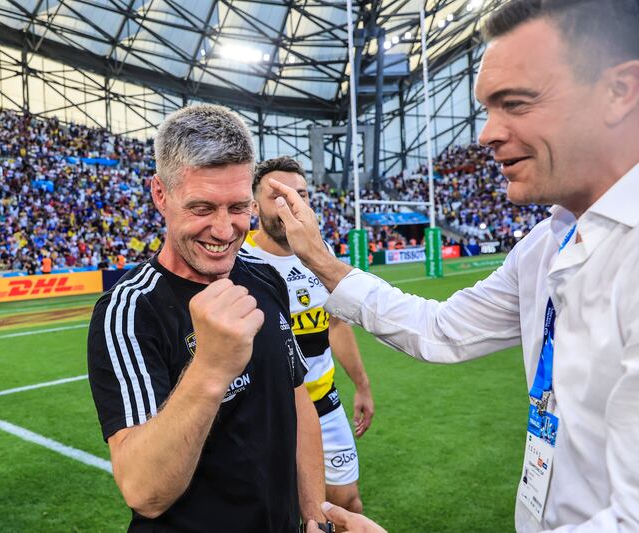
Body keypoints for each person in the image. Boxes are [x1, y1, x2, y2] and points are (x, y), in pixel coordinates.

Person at [269, 1, 639, 531]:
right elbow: (441, 329)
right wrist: (323, 262)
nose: (486, 133)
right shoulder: (545, 243)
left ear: (619, 92)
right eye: (486, 108)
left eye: (515, 103)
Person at [88, 104, 335, 531]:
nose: (224, 231)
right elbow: (143, 492)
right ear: (160, 194)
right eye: (202, 208)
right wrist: (210, 367)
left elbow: (298, 400)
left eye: (238, 207)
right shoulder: (129, 311)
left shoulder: (265, 281)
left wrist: (315, 516)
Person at [241, 156, 374, 514]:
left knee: (347, 504)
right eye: (278, 196)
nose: (290, 204)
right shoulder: (238, 262)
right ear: (254, 206)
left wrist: (361, 385)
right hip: (268, 411)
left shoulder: (320, 253)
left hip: (325, 404)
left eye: (299, 194)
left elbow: (336, 325)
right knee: (279, 512)